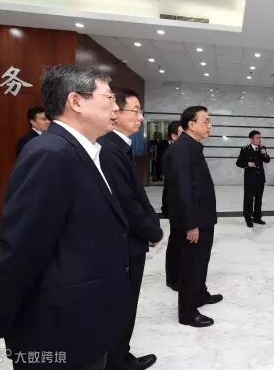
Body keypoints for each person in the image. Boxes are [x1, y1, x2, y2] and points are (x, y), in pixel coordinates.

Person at [0, 65, 129, 369]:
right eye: (109, 97)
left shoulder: (86, 151)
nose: (116, 107)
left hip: (85, 317)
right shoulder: (50, 153)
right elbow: (22, 245)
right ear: (76, 101)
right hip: (58, 326)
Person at [98, 89, 162, 370]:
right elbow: (126, 202)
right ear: (115, 113)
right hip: (124, 243)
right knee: (122, 305)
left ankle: (119, 355)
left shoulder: (118, 146)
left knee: (124, 304)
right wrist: (152, 231)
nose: (140, 117)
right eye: (135, 110)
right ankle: (118, 361)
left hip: (130, 239)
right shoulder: (109, 150)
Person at [163, 106, 222, 327]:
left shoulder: (192, 146)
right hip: (193, 221)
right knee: (191, 265)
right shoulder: (181, 150)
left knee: (201, 261)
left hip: (202, 217)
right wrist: (190, 224)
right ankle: (187, 313)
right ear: (191, 124)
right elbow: (182, 190)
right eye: (206, 121)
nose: (210, 126)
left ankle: (199, 295)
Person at [162, 121, 183, 291]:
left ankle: (177, 274)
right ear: (174, 136)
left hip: (178, 204)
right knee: (175, 242)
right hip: (175, 204)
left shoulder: (178, 150)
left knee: (178, 241)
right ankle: (173, 278)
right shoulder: (171, 153)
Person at [236, 130, 270, 227]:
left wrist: (264, 154)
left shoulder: (262, 148)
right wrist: (247, 164)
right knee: (249, 200)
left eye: (260, 138)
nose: (259, 140)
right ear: (251, 139)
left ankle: (257, 217)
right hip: (250, 180)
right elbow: (238, 163)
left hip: (260, 179)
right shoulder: (245, 149)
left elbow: (267, 160)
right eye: (257, 138)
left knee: (259, 199)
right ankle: (248, 218)